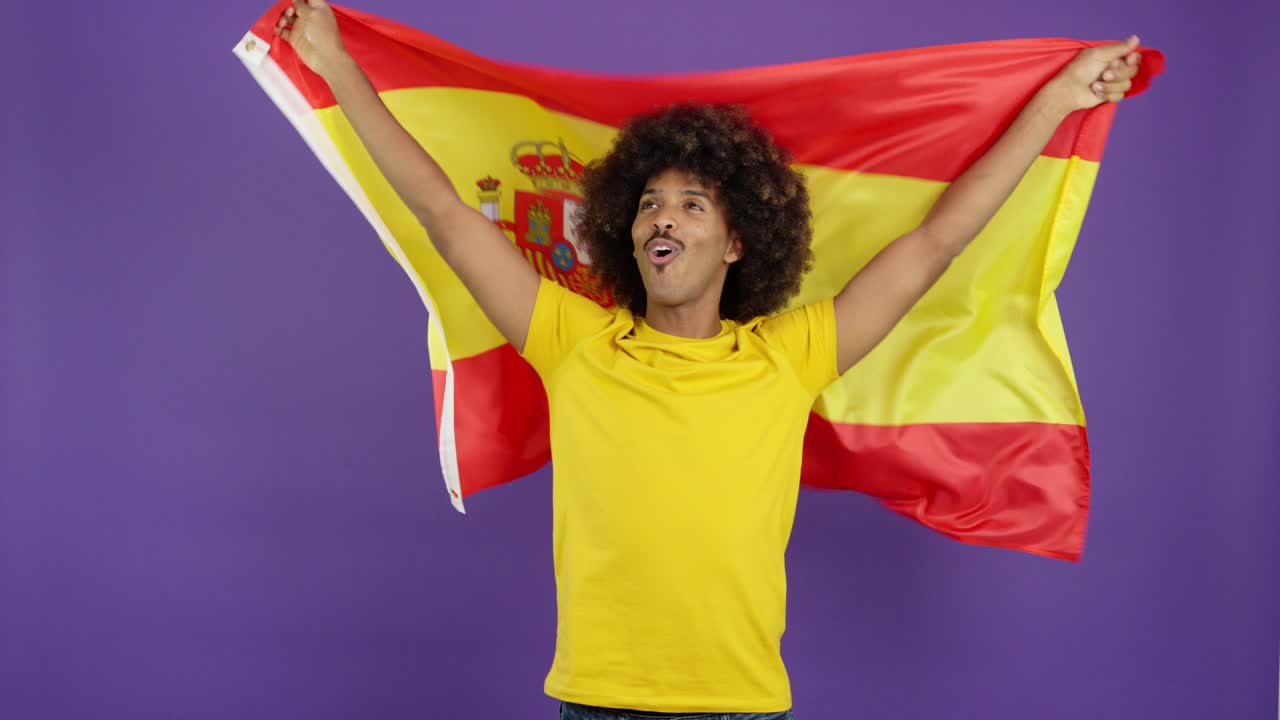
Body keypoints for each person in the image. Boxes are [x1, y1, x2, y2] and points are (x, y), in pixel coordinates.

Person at [273, 2, 1142, 717]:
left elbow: (939, 239)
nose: (664, 218)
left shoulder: (790, 355)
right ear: (627, 229)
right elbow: (447, 215)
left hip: (743, 706)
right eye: (650, 203)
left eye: (693, 205)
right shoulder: (573, 344)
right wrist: (337, 64)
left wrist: (1061, 97)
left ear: (735, 243)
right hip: (596, 702)